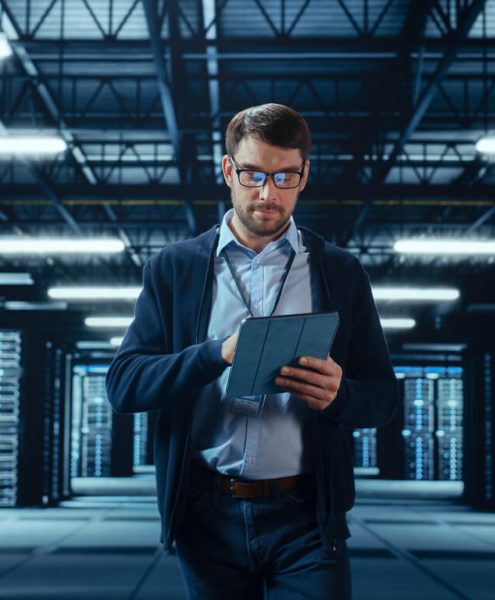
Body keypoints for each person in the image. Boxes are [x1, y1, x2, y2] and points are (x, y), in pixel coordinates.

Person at [106, 103, 397, 599]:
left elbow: (384, 398)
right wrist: (215, 354)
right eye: (253, 174)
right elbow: (124, 384)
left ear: (305, 175)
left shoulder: (340, 273)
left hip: (307, 517)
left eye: (285, 177)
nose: (268, 193)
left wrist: (340, 395)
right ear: (227, 170)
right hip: (206, 513)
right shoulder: (174, 270)